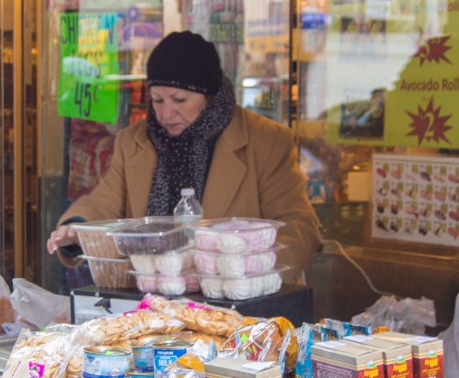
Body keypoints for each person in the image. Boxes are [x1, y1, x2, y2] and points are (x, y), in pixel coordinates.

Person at [47, 31, 321, 283]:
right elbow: (103, 203)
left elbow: (298, 226)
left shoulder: (266, 141)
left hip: (237, 303)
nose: (167, 114)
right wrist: (76, 230)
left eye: (179, 100)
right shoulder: (133, 142)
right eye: (157, 100)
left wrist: (249, 276)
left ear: (209, 96)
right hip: (153, 301)